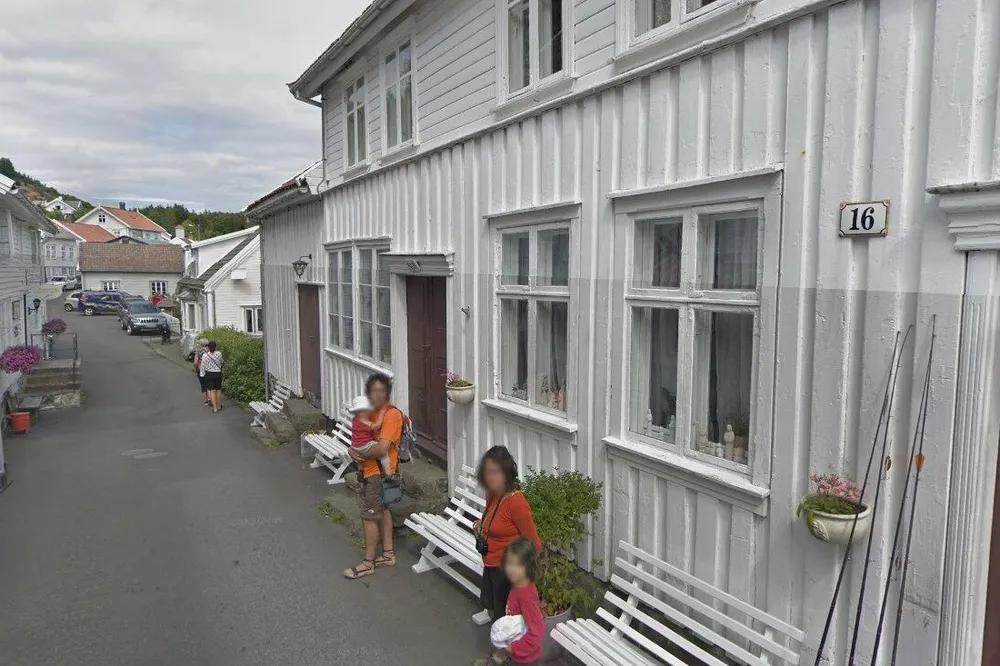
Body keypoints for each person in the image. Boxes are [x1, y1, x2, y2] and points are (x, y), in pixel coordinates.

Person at [344, 373, 403, 579]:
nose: (376, 394)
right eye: (373, 390)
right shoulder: (371, 412)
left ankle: (368, 563)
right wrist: (351, 450)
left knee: (369, 517)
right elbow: (359, 438)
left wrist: (358, 453)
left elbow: (381, 449)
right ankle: (388, 554)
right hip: (369, 471)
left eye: (381, 390)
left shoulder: (391, 414)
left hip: (378, 473)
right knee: (383, 510)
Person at [475, 446, 542, 622]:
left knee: (503, 617)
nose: (490, 477)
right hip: (490, 563)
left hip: (506, 571)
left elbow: (534, 544)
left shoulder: (517, 503)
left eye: (495, 472)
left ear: (507, 473)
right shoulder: (492, 493)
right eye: (487, 472)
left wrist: (523, 579)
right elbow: (496, 519)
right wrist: (482, 525)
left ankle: (503, 640)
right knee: (494, 609)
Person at [476, 537, 545, 666]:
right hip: (516, 653)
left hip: (525, 659)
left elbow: (537, 631)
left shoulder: (526, 596)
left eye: (519, 565)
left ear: (529, 566)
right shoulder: (518, 584)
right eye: (510, 563)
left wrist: (515, 648)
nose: (512, 569)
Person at [347, 395, 392, 471]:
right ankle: (388, 473)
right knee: (384, 454)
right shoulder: (363, 421)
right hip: (364, 445)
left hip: (355, 446)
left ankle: (361, 471)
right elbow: (376, 426)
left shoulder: (355, 419)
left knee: (360, 456)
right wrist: (381, 414)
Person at [199, 340, 224, 413]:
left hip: (209, 374)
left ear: (208, 347)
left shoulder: (205, 355)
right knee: (218, 390)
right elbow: (222, 361)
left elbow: (203, 365)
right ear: (215, 347)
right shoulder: (219, 353)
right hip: (217, 373)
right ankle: (219, 406)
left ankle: (215, 408)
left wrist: (202, 374)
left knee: (212, 390)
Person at [193, 338, 210, 406]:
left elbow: (195, 362)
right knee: (209, 383)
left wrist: (196, 368)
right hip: (209, 369)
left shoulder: (198, 352)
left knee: (203, 384)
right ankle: (210, 397)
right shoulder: (209, 351)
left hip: (200, 369)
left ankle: (206, 400)